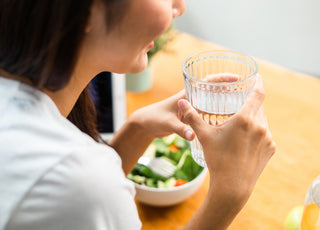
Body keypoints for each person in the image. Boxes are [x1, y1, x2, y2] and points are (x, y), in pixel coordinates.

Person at [0, 0, 276, 229]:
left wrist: (138, 128)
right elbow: (78, 187)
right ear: (83, 10)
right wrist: (228, 196)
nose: (179, 7)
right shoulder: (76, 180)